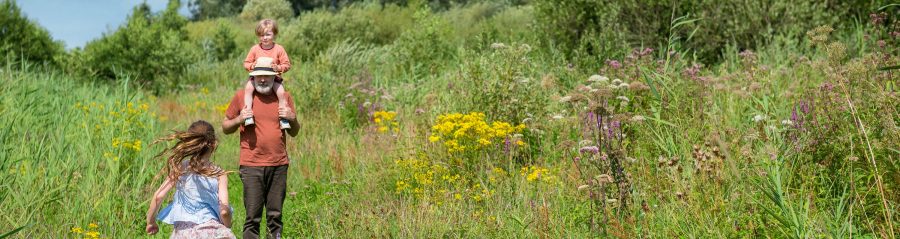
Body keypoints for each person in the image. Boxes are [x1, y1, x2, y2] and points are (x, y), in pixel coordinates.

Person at [223, 57, 299, 239]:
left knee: (275, 216)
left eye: (266, 76)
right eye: (258, 76)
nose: (262, 79)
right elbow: (225, 127)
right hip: (251, 165)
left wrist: (292, 118)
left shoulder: (285, 97)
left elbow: (294, 132)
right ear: (253, 77)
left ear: (275, 77)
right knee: (252, 217)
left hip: (279, 165)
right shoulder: (242, 97)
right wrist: (239, 119)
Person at [145, 120, 235, 239]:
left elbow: (158, 196)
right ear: (214, 144)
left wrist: (151, 222)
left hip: (184, 233)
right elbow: (224, 211)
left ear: (189, 143)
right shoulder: (219, 174)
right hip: (211, 231)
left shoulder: (180, 168)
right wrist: (226, 227)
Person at [242, 19, 292, 129]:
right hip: (256, 77)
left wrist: (278, 67)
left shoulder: (279, 49)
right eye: (261, 35)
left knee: (281, 92)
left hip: (274, 78)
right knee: (248, 88)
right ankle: (248, 114)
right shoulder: (255, 49)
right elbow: (246, 63)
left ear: (274, 34)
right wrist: (251, 66)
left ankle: (283, 118)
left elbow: (287, 64)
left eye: (268, 35)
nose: (264, 38)